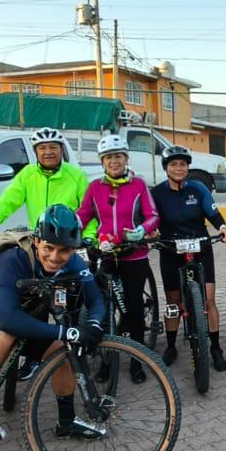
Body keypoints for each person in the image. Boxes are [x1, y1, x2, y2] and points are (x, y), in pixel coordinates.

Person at [0, 206, 106, 441]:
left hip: (6, 312)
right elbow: (6, 318)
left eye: (64, 250)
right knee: (3, 331)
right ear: (37, 241)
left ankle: (67, 422)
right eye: (48, 248)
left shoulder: (73, 262)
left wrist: (94, 324)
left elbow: (95, 299)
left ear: (73, 249)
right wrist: (66, 331)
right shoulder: (16, 258)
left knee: (62, 351)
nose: (55, 257)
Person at [76, 134, 160, 382]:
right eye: (108, 157)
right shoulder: (94, 187)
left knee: (133, 309)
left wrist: (141, 230)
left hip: (133, 255)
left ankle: (137, 361)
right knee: (102, 310)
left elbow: (153, 215)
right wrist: (70, 229)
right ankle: (106, 361)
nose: (114, 161)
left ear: (126, 159)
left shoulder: (139, 185)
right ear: (102, 162)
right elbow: (83, 214)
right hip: (104, 254)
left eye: (118, 156)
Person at [150, 145, 226, 372]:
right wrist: (150, 233)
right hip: (170, 249)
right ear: (166, 168)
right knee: (173, 302)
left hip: (200, 247)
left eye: (183, 164)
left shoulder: (198, 189)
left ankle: (215, 347)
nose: (179, 168)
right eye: (173, 164)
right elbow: (150, 219)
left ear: (188, 167)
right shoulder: (157, 193)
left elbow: (213, 213)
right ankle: (171, 346)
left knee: (209, 299)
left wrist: (223, 227)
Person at [0, 128, 88, 250]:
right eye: (42, 148)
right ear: (35, 152)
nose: (48, 152)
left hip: (69, 240)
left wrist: (89, 237)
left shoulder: (77, 176)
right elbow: (7, 202)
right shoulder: (27, 174)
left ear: (61, 150)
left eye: (53, 147)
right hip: (39, 240)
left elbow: (89, 209)